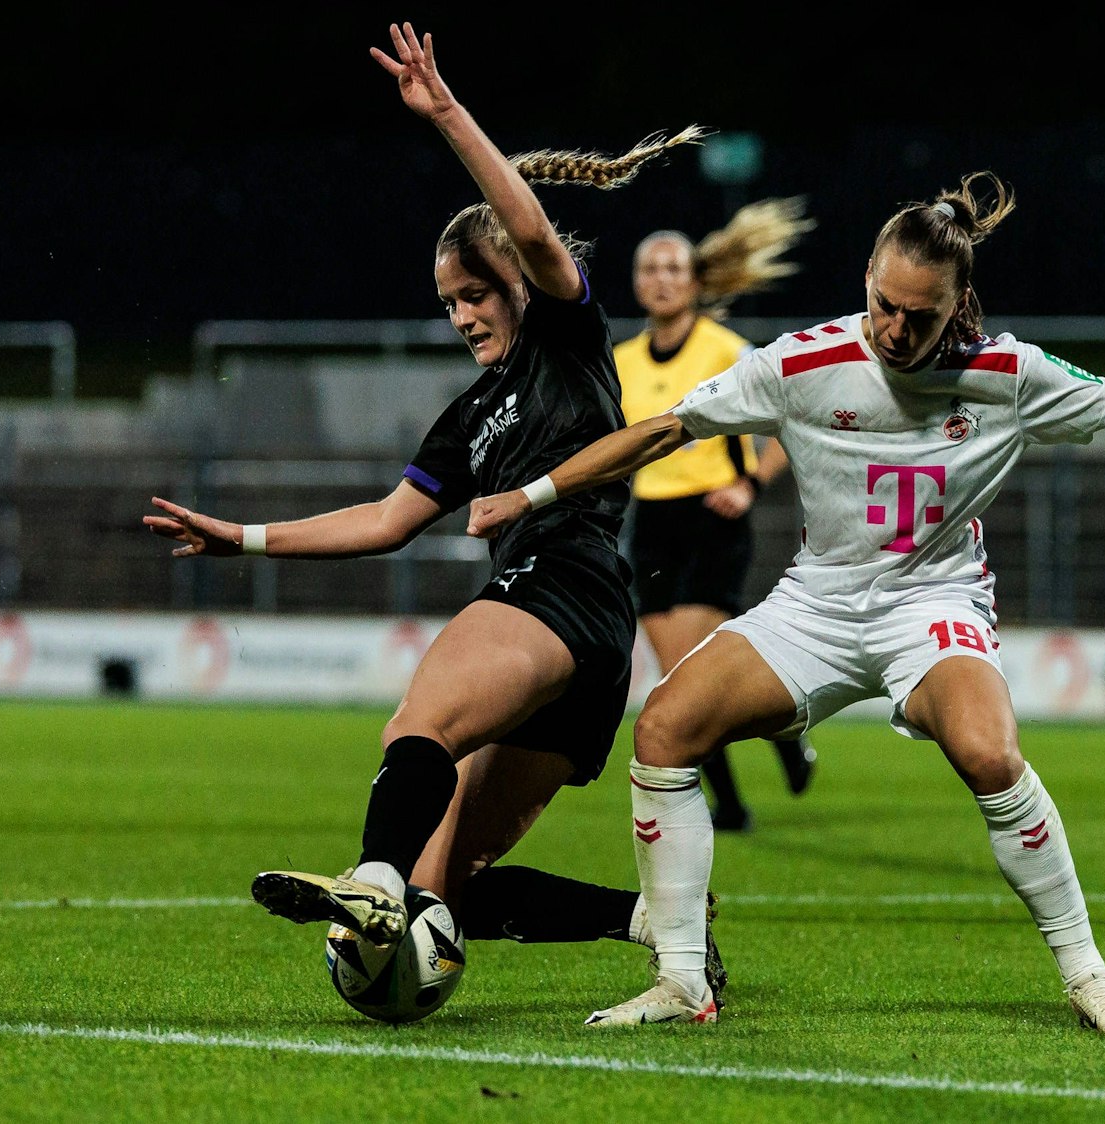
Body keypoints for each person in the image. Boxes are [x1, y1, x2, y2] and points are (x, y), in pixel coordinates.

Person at [467, 174, 1105, 1032]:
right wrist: (533, 494)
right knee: (662, 730)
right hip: (813, 607)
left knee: (986, 750)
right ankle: (681, 979)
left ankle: (1087, 971)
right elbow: (661, 430)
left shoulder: (1010, 373)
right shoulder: (803, 362)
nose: (895, 330)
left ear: (959, 303)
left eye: (919, 314)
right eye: (882, 306)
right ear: (866, 281)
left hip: (931, 605)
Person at [142, 24, 722, 996]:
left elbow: (532, 230)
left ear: (515, 287)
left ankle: (368, 880)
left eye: (473, 294)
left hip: (560, 581)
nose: (461, 317)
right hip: (589, 639)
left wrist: (445, 113)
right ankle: (661, 922)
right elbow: (382, 520)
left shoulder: (566, 337)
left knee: (416, 726)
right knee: (450, 883)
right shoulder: (467, 416)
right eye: (447, 302)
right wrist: (239, 537)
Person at [618, 203, 817, 831]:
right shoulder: (622, 361)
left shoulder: (726, 350)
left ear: (695, 281)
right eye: (650, 268)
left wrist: (750, 484)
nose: (661, 278)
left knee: (692, 674)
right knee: (683, 680)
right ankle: (773, 752)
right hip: (650, 523)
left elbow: (792, 422)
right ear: (636, 282)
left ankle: (736, 798)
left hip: (712, 520)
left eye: (673, 267)